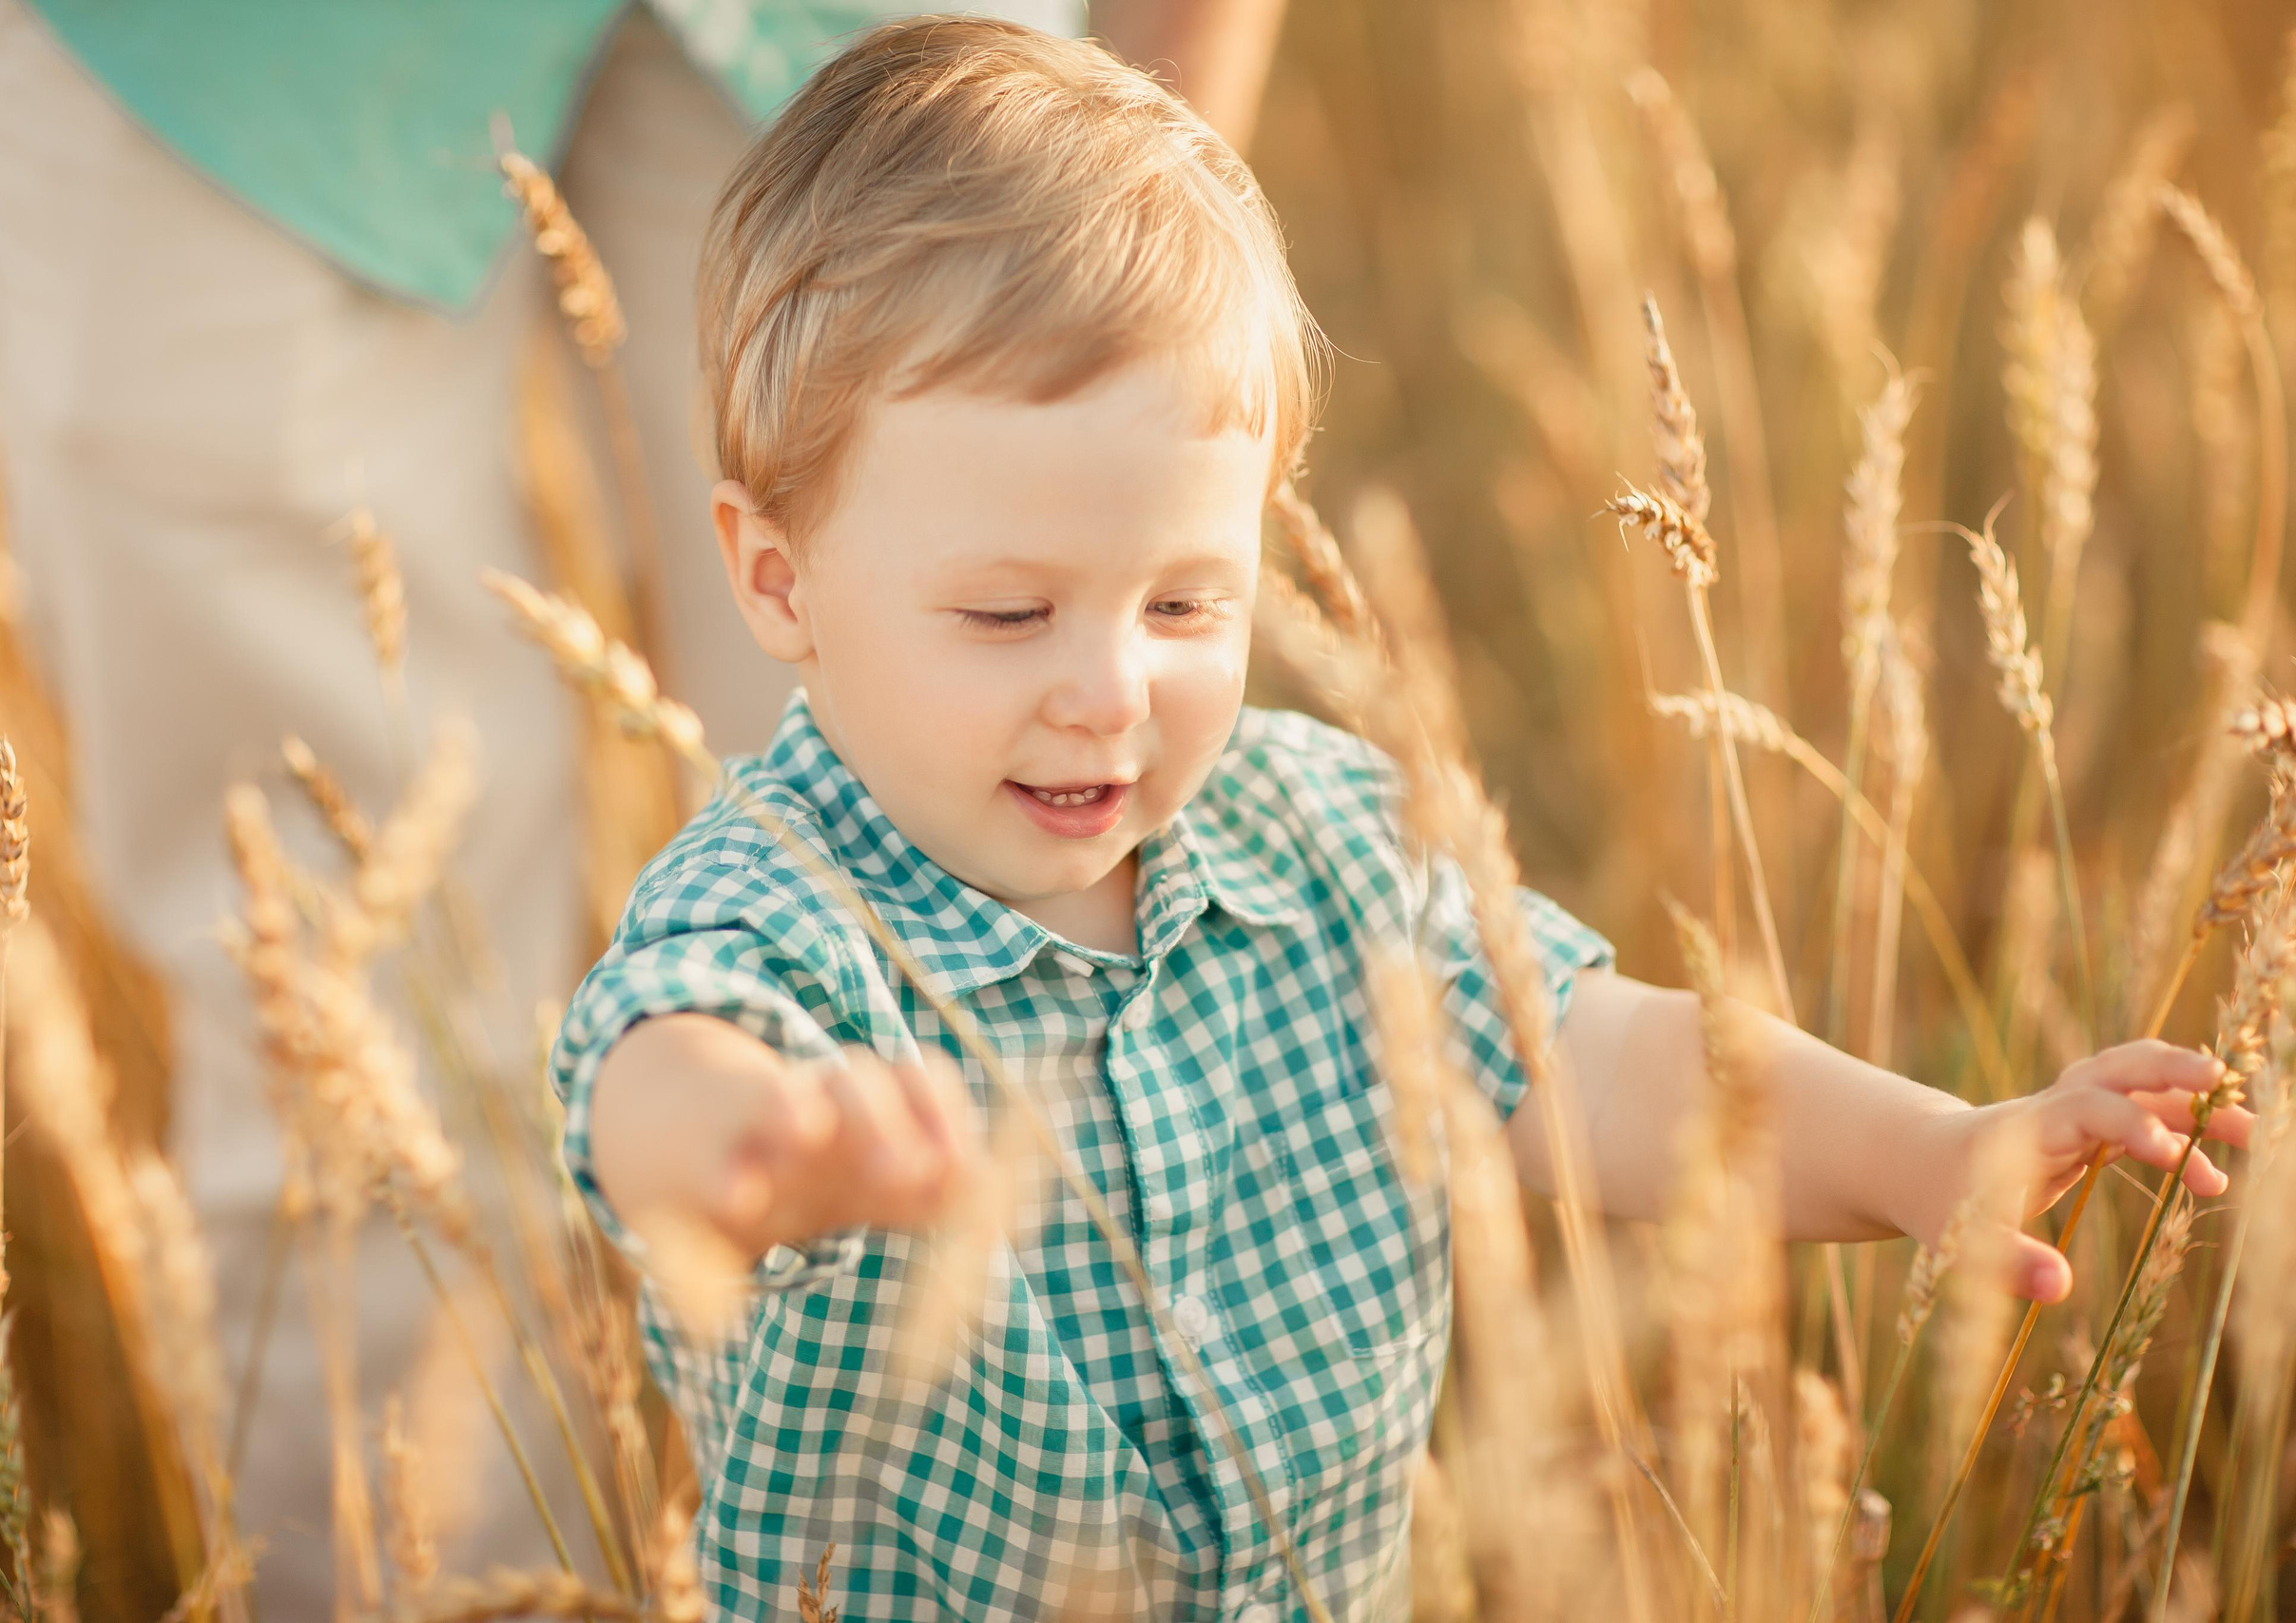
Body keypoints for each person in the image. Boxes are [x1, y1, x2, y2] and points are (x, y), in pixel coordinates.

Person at [550, 18, 2256, 1618]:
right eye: (1010, 615)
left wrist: (1932, 1152)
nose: (1108, 693)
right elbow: (649, 1069)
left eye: (1185, 607)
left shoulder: (1323, 840)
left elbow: (1598, 1057)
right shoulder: (787, 909)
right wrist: (765, 1150)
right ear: (778, 577)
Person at [0, 0, 1287, 1612]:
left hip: (883, 55)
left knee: (1009, 925)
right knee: (349, 1049)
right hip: (220, 56)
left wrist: (1160, 179)